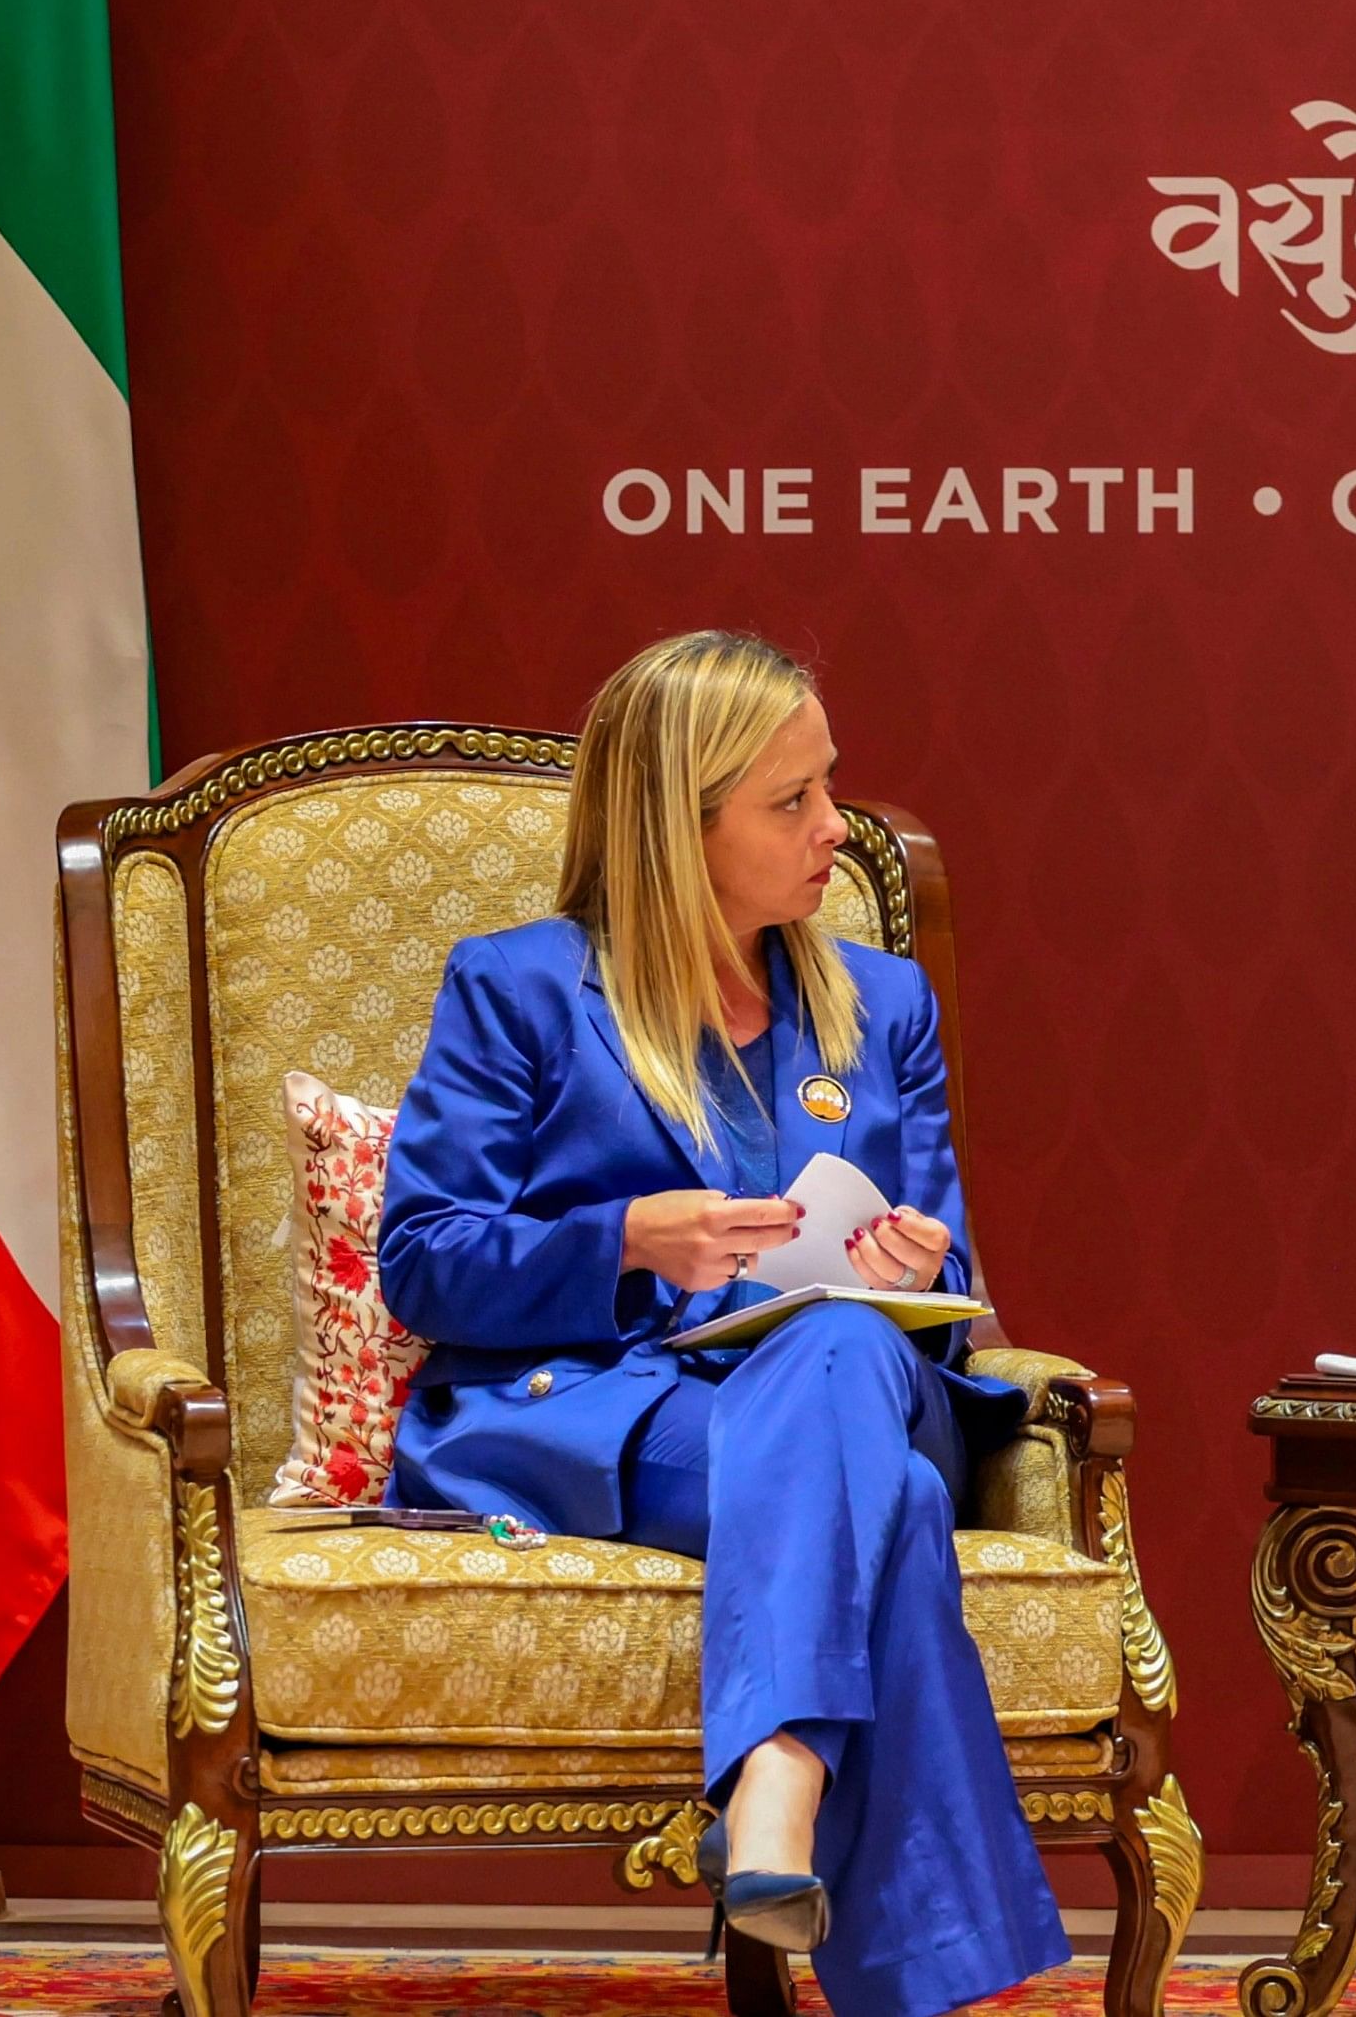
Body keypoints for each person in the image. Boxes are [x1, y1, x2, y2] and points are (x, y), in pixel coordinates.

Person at [377, 630, 1067, 2017]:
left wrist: (912, 1258)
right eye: (791, 802)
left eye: (831, 787)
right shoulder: (517, 990)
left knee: (844, 1344)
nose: (835, 830)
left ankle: (777, 1784)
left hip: (855, 1377)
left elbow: (948, 1284)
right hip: (604, 1405)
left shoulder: (882, 1004)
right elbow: (426, 1263)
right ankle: (808, 1826)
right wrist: (627, 1243)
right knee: (891, 1507)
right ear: (675, 827)